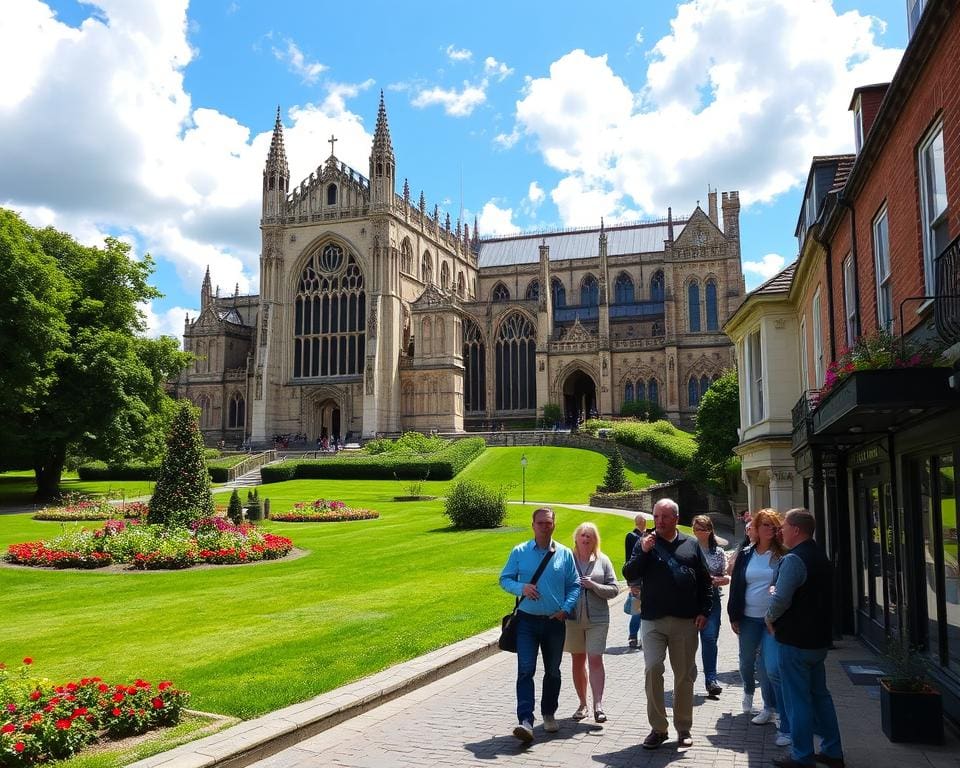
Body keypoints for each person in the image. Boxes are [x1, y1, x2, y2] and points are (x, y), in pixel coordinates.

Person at [623, 498, 712, 750]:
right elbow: (629, 573)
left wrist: (705, 611)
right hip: (652, 620)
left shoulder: (691, 544)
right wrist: (644, 551)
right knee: (653, 669)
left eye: (664, 517)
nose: (659, 522)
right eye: (656, 517)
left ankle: (683, 728)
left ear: (675, 518)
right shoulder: (645, 543)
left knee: (684, 675)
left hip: (685, 621)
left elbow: (705, 582)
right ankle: (658, 728)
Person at [767, 509, 844, 768]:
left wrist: (769, 618)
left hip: (795, 641)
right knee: (820, 696)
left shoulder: (794, 560)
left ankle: (802, 756)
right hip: (818, 642)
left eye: (785, 526)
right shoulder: (819, 555)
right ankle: (833, 752)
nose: (781, 531)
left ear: (796, 530)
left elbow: (780, 599)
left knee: (797, 700)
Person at [499, 507, 580, 743]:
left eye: (548, 523)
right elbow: (504, 578)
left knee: (553, 671)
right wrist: (521, 588)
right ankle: (525, 720)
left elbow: (575, 584)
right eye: (540, 523)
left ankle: (549, 713)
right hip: (526, 621)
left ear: (554, 525)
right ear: (533, 525)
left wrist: (566, 608)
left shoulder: (564, 554)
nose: (545, 526)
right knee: (526, 670)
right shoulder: (520, 551)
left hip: (555, 622)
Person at [728, 509, 791, 747]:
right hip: (748, 618)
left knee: (769, 667)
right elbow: (736, 586)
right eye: (765, 525)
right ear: (756, 528)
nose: (770, 529)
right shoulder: (746, 554)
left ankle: (769, 708)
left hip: (772, 622)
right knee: (746, 661)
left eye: (773, 526)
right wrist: (733, 615)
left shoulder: (783, 555)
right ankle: (747, 689)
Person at [565, 522, 619, 723]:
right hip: (572, 619)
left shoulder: (602, 560)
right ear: (576, 538)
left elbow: (614, 589)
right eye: (582, 535)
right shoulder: (567, 559)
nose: (586, 539)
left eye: (590, 536)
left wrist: (593, 585)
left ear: (595, 539)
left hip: (598, 619)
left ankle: (598, 705)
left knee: (595, 658)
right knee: (577, 660)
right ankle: (582, 704)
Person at [691, 514, 729, 698]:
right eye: (696, 529)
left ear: (709, 530)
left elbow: (725, 576)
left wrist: (718, 581)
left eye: (702, 529)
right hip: (690, 600)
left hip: (713, 599)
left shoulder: (718, 552)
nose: (699, 532)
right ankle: (689, 674)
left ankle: (711, 680)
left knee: (709, 639)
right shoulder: (688, 548)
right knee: (688, 641)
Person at [624, 514, 648, 648]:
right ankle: (633, 635)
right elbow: (629, 558)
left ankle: (643, 638)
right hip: (636, 579)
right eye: (641, 522)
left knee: (645, 608)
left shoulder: (646, 536)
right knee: (637, 608)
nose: (643, 524)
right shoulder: (632, 536)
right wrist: (630, 581)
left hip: (646, 578)